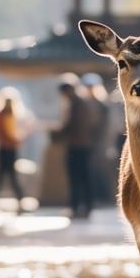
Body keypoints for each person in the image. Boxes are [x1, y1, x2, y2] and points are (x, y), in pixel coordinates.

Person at [53, 73, 94, 219]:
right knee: (82, 177)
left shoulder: (77, 104)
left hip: (77, 146)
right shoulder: (80, 102)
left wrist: (56, 132)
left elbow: (71, 126)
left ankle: (77, 206)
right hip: (82, 144)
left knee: (77, 177)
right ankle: (83, 206)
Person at [0, 87, 30, 212]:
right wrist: (20, 137)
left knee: (5, 176)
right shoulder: (2, 116)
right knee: (7, 176)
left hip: (7, 148)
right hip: (7, 149)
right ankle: (18, 201)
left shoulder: (6, 115)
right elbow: (8, 135)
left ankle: (16, 201)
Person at [82, 73, 111, 204]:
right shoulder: (82, 104)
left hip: (99, 143)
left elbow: (105, 126)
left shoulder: (102, 105)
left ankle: (104, 198)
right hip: (85, 142)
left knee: (100, 169)